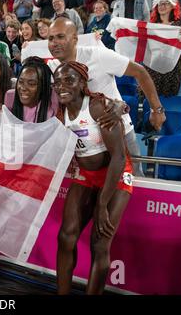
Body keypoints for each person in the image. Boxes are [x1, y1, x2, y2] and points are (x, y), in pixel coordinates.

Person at [47, 17, 166, 175]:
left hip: (118, 132)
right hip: (84, 140)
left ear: (75, 38)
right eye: (50, 38)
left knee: (135, 185)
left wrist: (157, 110)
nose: (54, 42)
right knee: (97, 190)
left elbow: (140, 72)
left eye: (60, 36)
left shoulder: (98, 55)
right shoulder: (52, 67)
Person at [53, 61, 133, 295]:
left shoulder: (98, 107)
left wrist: (102, 203)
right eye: (57, 82)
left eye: (68, 80)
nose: (62, 86)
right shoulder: (61, 113)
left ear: (82, 83)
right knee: (66, 237)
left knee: (99, 243)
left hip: (115, 174)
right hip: (85, 176)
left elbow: (118, 158)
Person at [138, 0, 181, 97]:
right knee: (152, 98)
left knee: (169, 100)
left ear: (172, 6)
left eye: (165, 3)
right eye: (159, 4)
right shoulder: (151, 24)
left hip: (173, 68)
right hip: (153, 67)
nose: (162, 6)